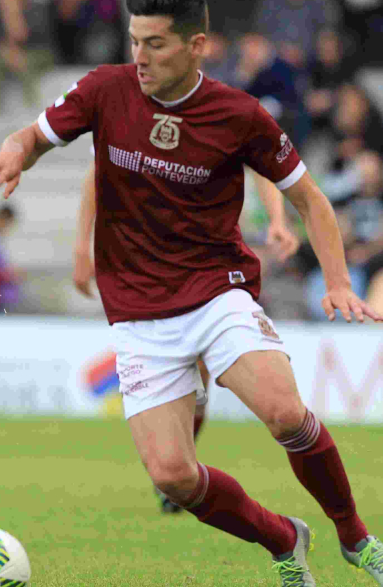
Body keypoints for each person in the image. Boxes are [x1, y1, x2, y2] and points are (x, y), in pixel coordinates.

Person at [0, 0, 383, 586]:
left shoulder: (239, 114)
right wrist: (18, 152)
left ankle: (357, 540)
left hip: (215, 291)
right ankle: (285, 540)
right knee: (173, 477)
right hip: (137, 314)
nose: (140, 58)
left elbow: (310, 198)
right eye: (134, 41)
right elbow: (35, 136)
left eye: (155, 44)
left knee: (286, 414)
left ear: (196, 44)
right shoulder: (106, 90)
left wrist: (337, 281)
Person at [71, 147, 302, 515]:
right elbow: (96, 175)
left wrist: (277, 218)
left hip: (207, 263)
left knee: (203, 377)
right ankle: (178, 469)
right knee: (190, 382)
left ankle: (183, 466)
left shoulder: (214, 116)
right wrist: (82, 246)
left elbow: (260, 162)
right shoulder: (126, 115)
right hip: (150, 269)